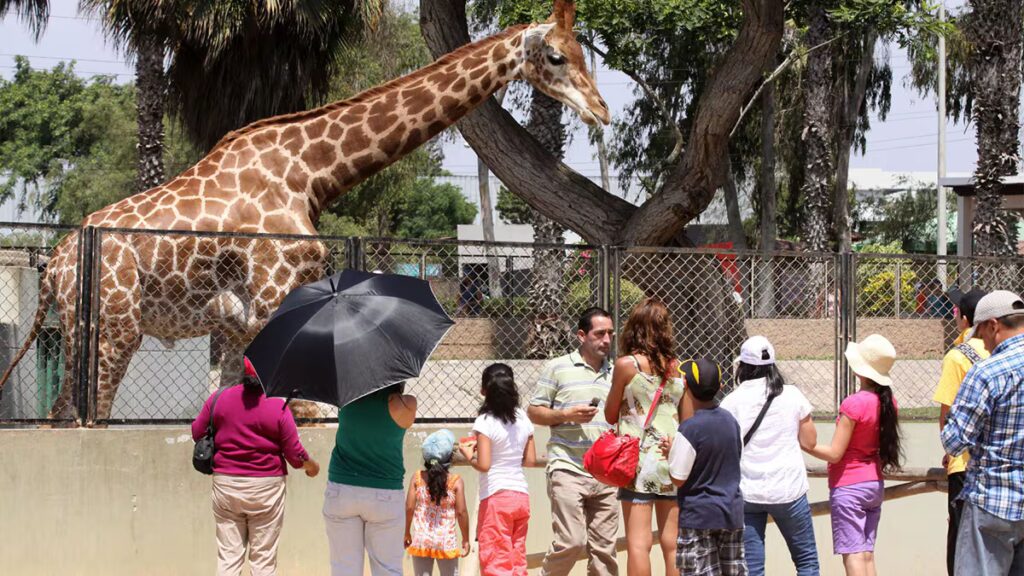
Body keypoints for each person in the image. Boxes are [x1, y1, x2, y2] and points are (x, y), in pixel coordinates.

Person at [191, 356, 320, 576]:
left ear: (244, 373)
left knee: (229, 557)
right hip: (266, 489)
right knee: (263, 560)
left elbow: (197, 432)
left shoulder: (218, 398)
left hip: (226, 484)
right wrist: (311, 466)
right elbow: (294, 453)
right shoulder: (277, 407)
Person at [528, 307, 620, 576]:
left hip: (606, 473)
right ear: (582, 335)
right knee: (571, 541)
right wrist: (565, 414)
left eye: (610, 334)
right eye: (599, 333)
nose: (606, 340)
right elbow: (534, 412)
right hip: (567, 466)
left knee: (605, 551)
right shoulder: (557, 367)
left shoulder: (617, 373)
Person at [720, 336, 819, 576]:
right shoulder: (793, 395)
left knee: (753, 569)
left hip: (748, 492)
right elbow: (810, 441)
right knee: (806, 563)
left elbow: (727, 449)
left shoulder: (731, 403)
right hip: (789, 491)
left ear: (742, 366)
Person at [941, 290, 1024, 576]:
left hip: (991, 502)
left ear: (993, 325)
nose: (982, 343)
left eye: (981, 333)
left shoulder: (987, 372)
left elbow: (954, 440)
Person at [806, 334, 903, 576]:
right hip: (873, 484)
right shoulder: (889, 402)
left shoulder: (853, 404)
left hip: (849, 485)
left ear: (860, 371)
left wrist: (806, 445)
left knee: (853, 555)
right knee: (866, 554)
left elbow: (835, 453)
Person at [604, 297, 685, 576]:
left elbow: (609, 413)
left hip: (637, 462)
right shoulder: (678, 368)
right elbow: (686, 420)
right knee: (671, 543)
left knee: (639, 544)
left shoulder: (627, 365)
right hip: (670, 457)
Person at [323, 382, 417, 576]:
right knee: (388, 569)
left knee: (343, 569)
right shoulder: (405, 404)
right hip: (386, 493)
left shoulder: (346, 398)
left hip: (342, 489)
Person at [665, 358, 746, 576]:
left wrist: (671, 454)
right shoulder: (730, 421)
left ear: (686, 386)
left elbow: (678, 477)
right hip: (731, 513)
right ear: (720, 386)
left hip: (698, 516)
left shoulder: (690, 428)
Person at [932, 288, 989, 576]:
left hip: (965, 463)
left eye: (956, 312)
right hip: (997, 461)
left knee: (960, 540)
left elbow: (948, 414)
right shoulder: (1005, 350)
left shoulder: (957, 357)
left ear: (966, 320)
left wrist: (949, 450)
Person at [460, 363, 537, 576]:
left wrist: (469, 456)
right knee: (517, 558)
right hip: (521, 496)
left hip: (496, 497)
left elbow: (484, 465)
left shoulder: (485, 421)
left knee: (495, 561)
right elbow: (530, 460)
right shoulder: (523, 418)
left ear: (484, 390)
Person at [404, 429, 470, 576]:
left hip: (422, 540)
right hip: (445, 542)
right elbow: (461, 512)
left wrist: (407, 532)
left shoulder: (417, 478)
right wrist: (465, 539)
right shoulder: (456, 481)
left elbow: (409, 508)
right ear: (450, 457)